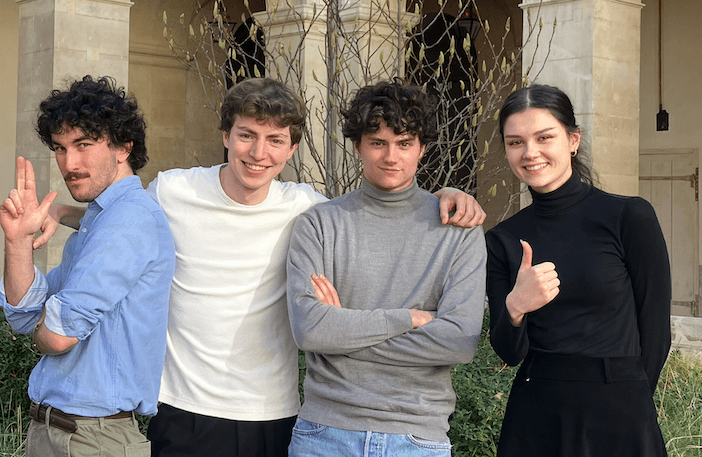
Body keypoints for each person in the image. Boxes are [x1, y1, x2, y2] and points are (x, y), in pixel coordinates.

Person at [42, 77, 486, 457]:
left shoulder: (307, 209)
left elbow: (380, 206)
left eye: (275, 140)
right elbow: (128, 222)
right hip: (181, 407)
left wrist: (448, 195)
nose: (258, 153)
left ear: (292, 148)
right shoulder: (173, 191)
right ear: (225, 136)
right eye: (246, 135)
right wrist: (63, 212)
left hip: (274, 414)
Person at [285, 80, 488, 456]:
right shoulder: (318, 224)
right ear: (358, 146)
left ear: (422, 148)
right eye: (378, 143)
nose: (391, 157)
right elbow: (310, 331)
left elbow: (458, 341)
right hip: (325, 433)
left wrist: (343, 333)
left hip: (417, 438)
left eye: (404, 143)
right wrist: (406, 319)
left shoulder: (459, 230)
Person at [485, 84, 671, 456]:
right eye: (516, 142)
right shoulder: (503, 238)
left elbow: (655, 330)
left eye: (544, 137)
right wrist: (516, 307)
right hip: (535, 415)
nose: (530, 152)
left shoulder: (628, 216)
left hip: (620, 411)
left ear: (573, 139)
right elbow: (508, 351)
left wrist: (632, 403)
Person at [0, 75, 176, 457]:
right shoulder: (99, 222)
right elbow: (23, 314)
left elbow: (57, 337)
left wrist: (46, 326)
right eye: (60, 148)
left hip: (93, 439)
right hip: (57, 431)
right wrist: (18, 241)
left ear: (123, 147)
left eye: (84, 145)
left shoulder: (129, 219)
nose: (69, 163)